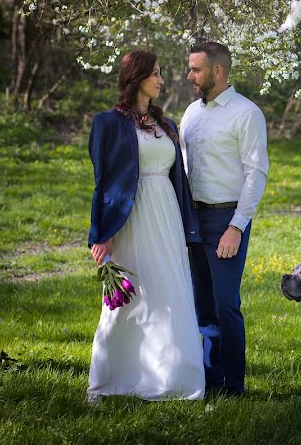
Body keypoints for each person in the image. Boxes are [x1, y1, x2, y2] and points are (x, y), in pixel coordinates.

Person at [86, 50, 205, 402]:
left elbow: (177, 177)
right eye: (155, 73)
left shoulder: (165, 125)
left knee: (171, 294)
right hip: (130, 219)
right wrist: (101, 234)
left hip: (165, 215)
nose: (161, 80)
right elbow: (102, 182)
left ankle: (174, 379)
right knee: (127, 299)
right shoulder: (107, 123)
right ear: (137, 78)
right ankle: (113, 379)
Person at [180, 41, 269, 397]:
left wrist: (236, 227)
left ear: (218, 71)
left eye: (196, 69)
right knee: (200, 303)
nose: (190, 75)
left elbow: (256, 174)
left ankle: (233, 385)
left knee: (225, 305)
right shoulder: (191, 113)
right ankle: (207, 377)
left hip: (225, 221)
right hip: (192, 220)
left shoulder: (246, 113)